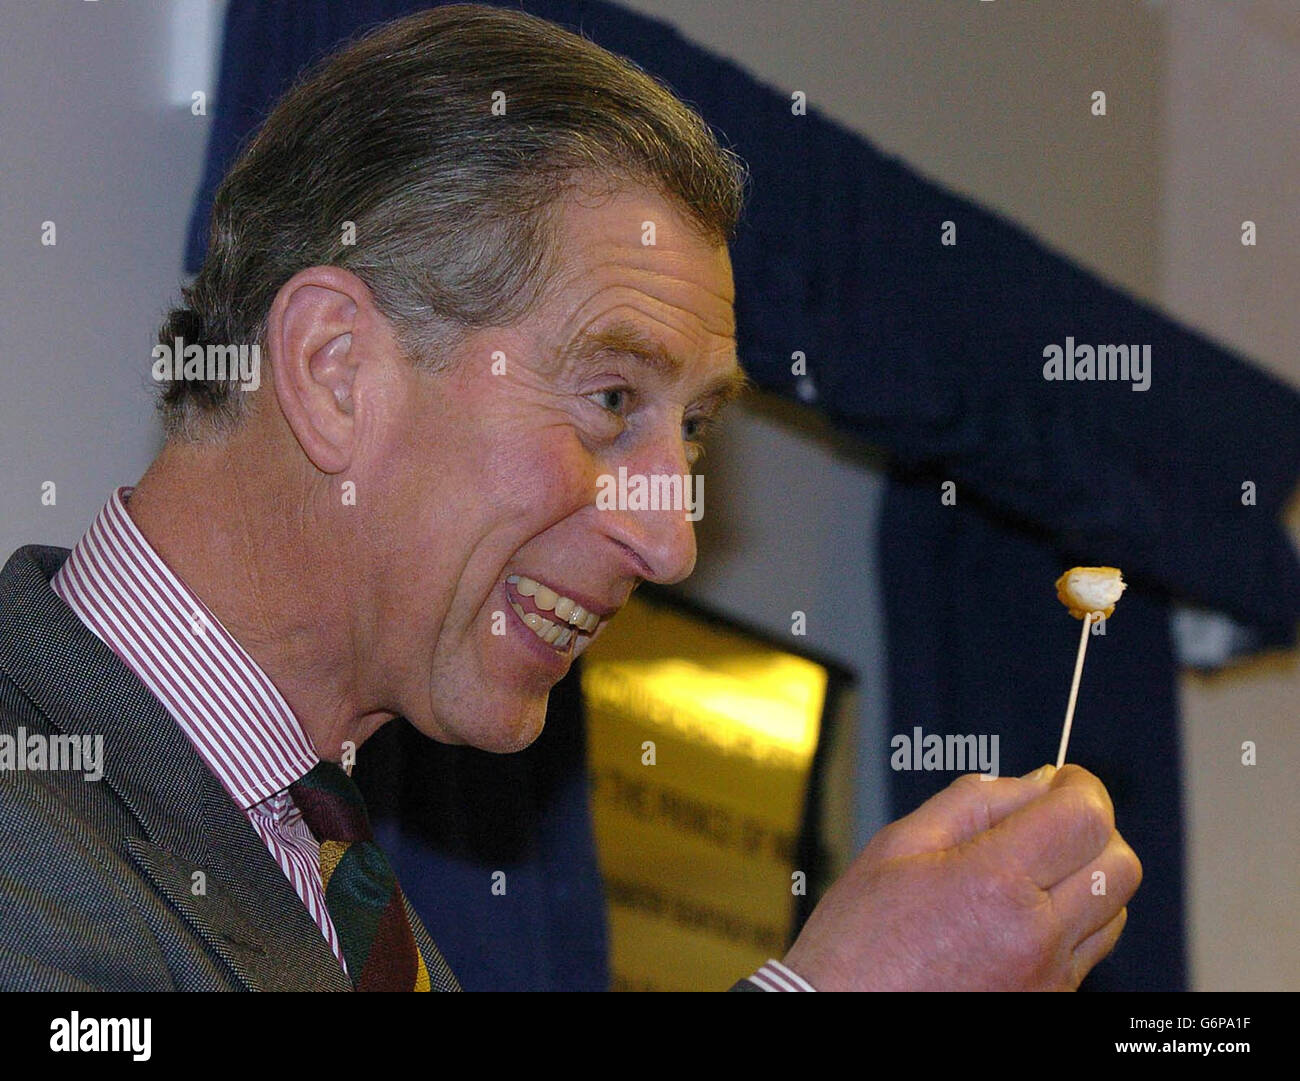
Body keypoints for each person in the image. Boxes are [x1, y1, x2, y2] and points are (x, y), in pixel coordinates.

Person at [0, 4, 1140, 991]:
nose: (671, 540)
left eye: (692, 429)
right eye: (610, 397)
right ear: (335, 370)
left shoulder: (348, 895)